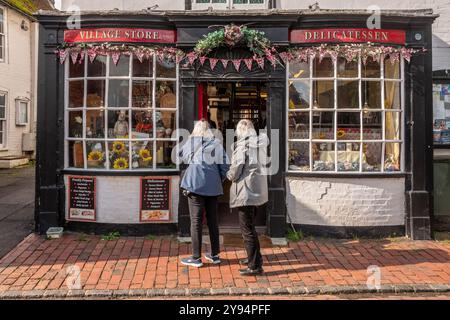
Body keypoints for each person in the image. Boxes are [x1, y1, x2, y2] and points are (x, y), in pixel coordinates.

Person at [179, 119, 230, 268]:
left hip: (195, 185)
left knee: (196, 222)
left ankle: (196, 257)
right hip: (213, 187)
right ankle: (215, 255)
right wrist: (217, 179)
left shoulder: (190, 143)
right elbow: (225, 167)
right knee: (213, 220)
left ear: (196, 130)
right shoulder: (217, 145)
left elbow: (183, 158)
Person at [227, 119, 269, 276]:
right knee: (251, 227)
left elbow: (235, 172)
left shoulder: (242, 146)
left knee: (247, 230)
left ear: (240, 131)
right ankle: (254, 258)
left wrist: (227, 174)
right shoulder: (260, 145)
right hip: (257, 192)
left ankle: (254, 266)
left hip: (246, 192)